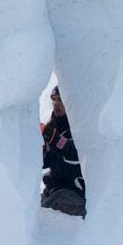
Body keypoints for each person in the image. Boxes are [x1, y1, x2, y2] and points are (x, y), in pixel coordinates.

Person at [40, 86, 86, 218]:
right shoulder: (52, 127)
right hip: (52, 190)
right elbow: (44, 162)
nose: (56, 104)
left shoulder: (81, 127)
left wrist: (54, 138)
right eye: (53, 99)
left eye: (60, 99)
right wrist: (41, 146)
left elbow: (75, 154)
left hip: (74, 193)